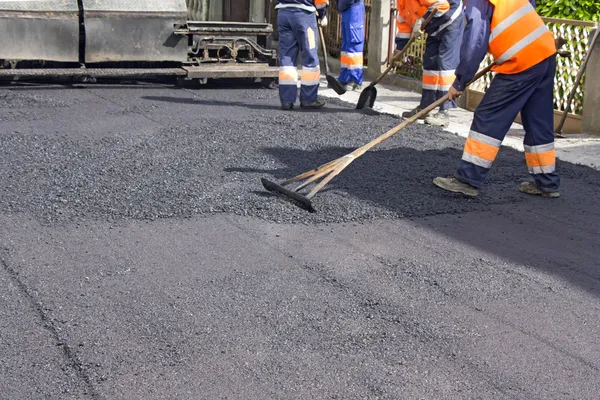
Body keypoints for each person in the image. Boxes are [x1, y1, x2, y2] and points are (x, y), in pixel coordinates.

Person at [433, 0, 560, 198]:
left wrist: (460, 81)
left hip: (522, 61)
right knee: (538, 120)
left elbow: (476, 39)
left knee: (488, 116)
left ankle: (468, 179)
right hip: (544, 52)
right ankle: (547, 182)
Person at [395, 0, 464, 127]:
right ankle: (426, 107)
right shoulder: (402, 2)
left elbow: (442, 5)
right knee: (430, 62)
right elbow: (404, 21)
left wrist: (421, 20)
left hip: (450, 19)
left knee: (445, 65)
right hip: (433, 25)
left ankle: (444, 112)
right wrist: (399, 49)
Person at [275, 0, 329, 110]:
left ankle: (286, 100)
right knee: (310, 56)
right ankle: (308, 99)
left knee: (287, 58)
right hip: (304, 15)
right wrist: (322, 14)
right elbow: (321, 1)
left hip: (283, 14)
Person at [336, 0, 365, 91]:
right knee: (346, 46)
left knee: (354, 45)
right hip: (348, 8)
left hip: (353, 9)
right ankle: (345, 77)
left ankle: (356, 80)